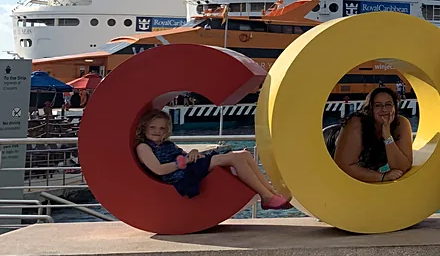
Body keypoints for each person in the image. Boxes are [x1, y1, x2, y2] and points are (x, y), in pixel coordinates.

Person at [134, 110, 291, 209]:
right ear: (144, 128)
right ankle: (265, 197)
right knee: (234, 158)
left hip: (188, 168)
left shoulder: (167, 144)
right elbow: (159, 169)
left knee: (244, 154)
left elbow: (183, 155)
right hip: (179, 176)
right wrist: (182, 162)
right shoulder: (144, 147)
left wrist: (193, 153)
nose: (157, 131)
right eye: (152, 128)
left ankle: (271, 193)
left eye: (161, 128)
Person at [328, 86, 414, 183]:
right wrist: (382, 177)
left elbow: (402, 167)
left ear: (395, 107)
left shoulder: (401, 124)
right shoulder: (356, 124)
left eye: (388, 104)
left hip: (367, 166)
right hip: (329, 148)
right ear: (370, 109)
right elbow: (343, 165)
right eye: (378, 105)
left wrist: (387, 136)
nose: (384, 109)